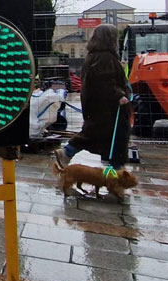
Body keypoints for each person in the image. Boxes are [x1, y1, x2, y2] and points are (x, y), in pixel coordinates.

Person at [55, 24, 131, 172]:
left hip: (97, 104)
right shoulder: (105, 57)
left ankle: (68, 152)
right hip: (109, 108)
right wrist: (120, 95)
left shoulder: (94, 55)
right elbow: (105, 81)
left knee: (94, 133)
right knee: (115, 140)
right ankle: (115, 176)